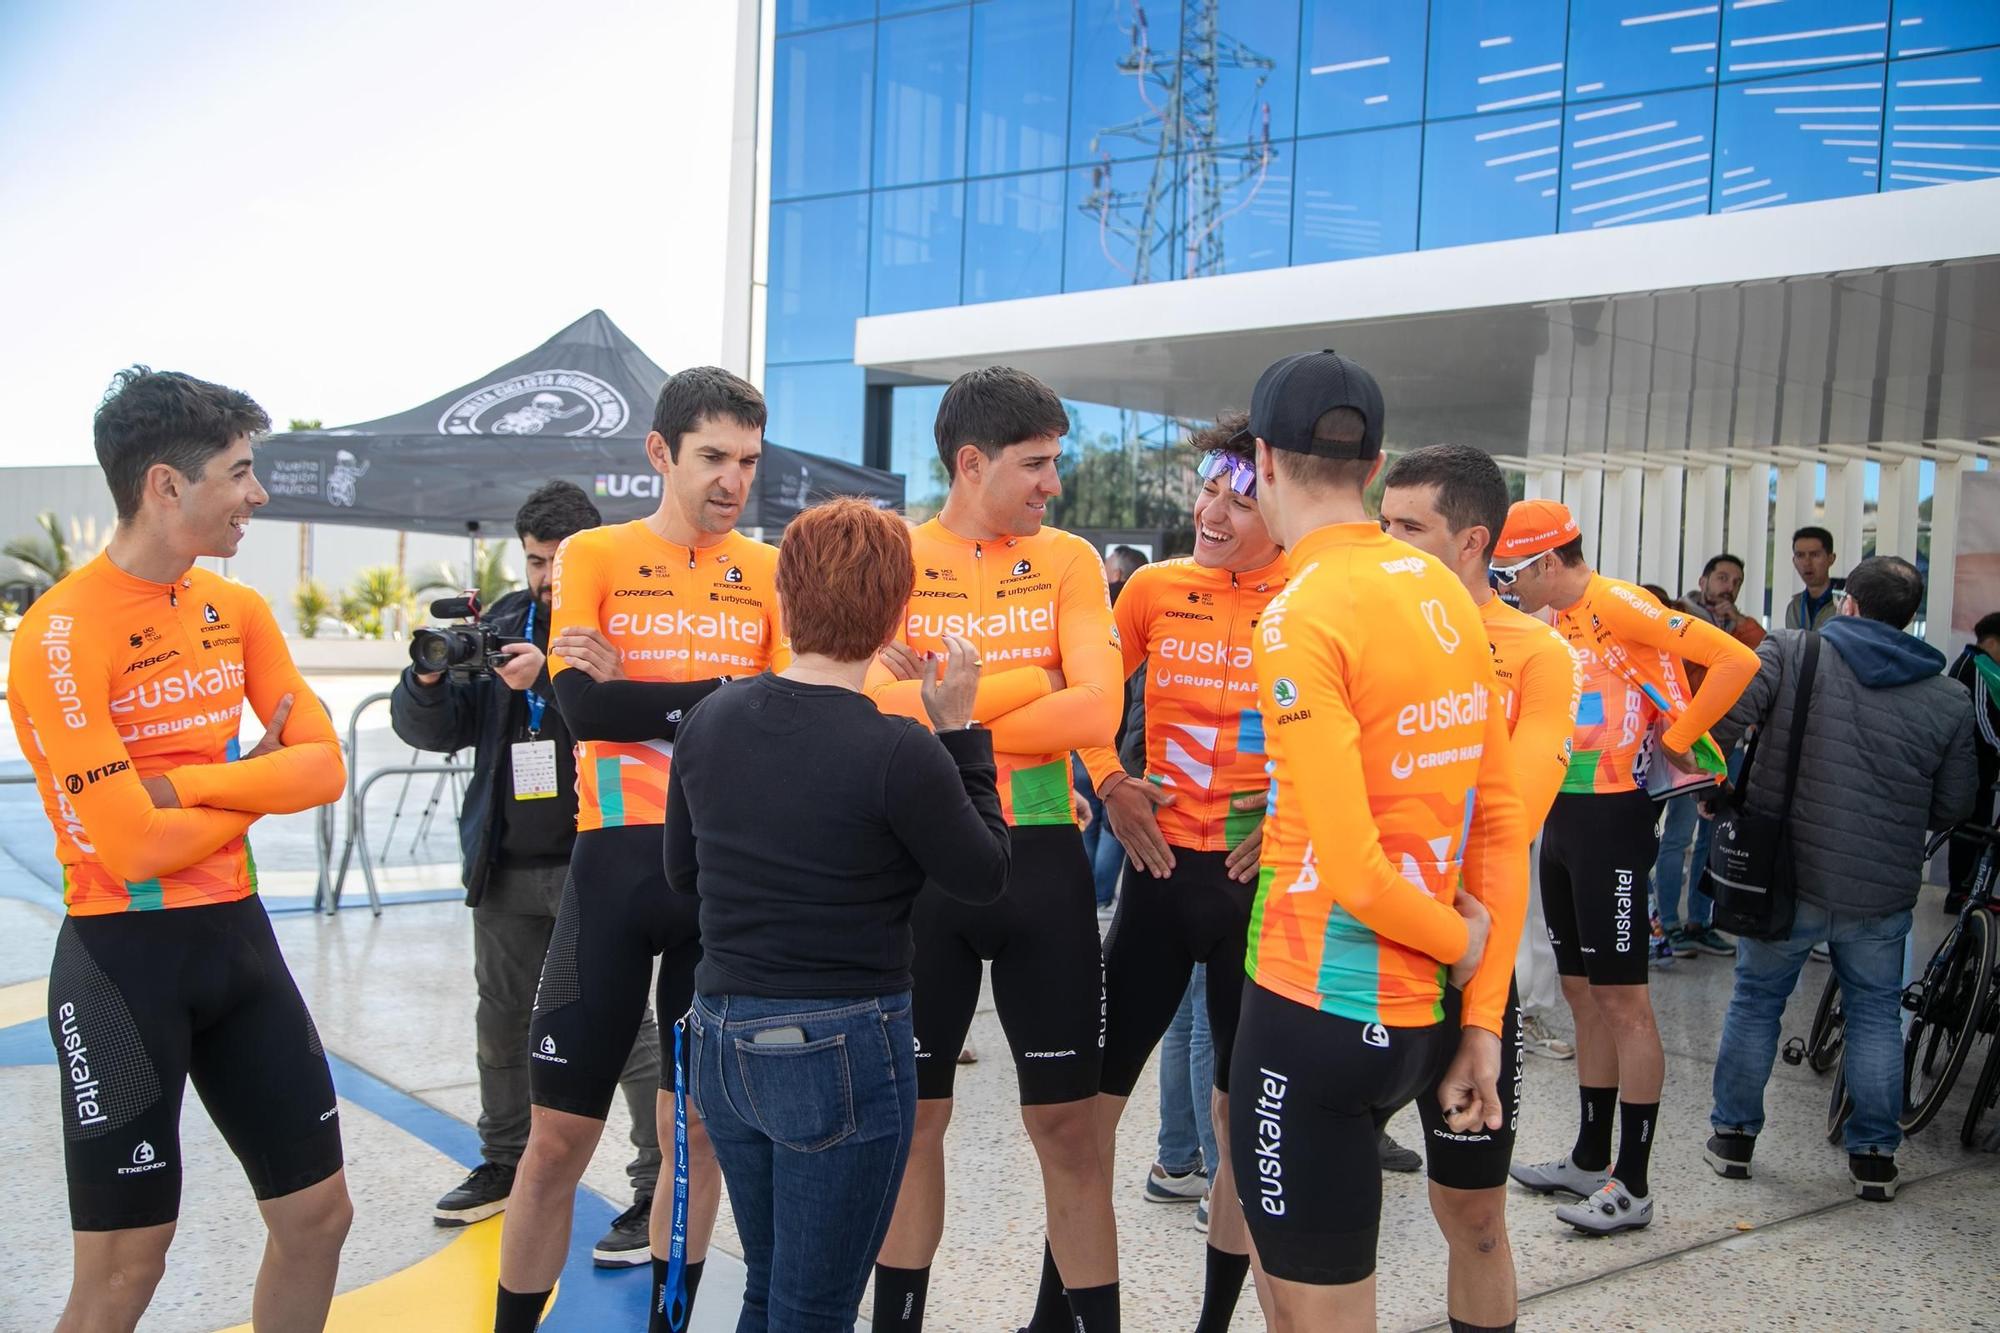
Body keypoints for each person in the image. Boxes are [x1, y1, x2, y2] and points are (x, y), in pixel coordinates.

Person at [8, 367, 350, 1332]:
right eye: (241, 472)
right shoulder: (61, 633)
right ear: (167, 484)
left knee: (320, 1217)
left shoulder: (233, 610)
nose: (259, 493)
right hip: (125, 958)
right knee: (127, 1268)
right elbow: (134, 844)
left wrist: (191, 782)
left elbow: (323, 770)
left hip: (238, 944)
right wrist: (254, 789)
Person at [1226, 350, 1527, 1332]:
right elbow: (1496, 821)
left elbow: (1351, 866)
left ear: (1263, 459)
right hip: (1426, 1022)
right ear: (1374, 461)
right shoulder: (1446, 590)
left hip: (1312, 1009)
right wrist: (1479, 1013)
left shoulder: (1298, 611)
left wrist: (1461, 945)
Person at [664, 498, 1011, 1332]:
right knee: (813, 1306)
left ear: (785, 599)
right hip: (839, 1043)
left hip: (722, 1033)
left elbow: (684, 876)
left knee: (771, 1285)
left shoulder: (710, 720)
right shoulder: (902, 749)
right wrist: (961, 732)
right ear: (897, 612)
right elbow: (985, 872)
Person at [494, 367, 787, 1333]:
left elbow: (783, 711)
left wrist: (654, 693)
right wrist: (723, 690)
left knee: (692, 1130)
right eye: (712, 457)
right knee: (555, 1141)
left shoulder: (771, 566)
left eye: (747, 460)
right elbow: (581, 706)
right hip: (612, 868)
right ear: (660, 453)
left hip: (720, 872)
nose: (732, 480)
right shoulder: (594, 552)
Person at [866, 366, 1124, 1333]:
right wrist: (1033, 678)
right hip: (922, 869)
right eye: (1036, 463)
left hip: (1043, 861)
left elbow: (1101, 706)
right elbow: (865, 707)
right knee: (915, 1124)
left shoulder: (1068, 559)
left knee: (1067, 1128)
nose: (1053, 483)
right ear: (971, 464)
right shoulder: (891, 552)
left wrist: (952, 713)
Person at [390, 480, 663, 1259]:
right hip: (505, 861)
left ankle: (652, 1186)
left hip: (595, 857)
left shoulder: (619, 623)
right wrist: (430, 679)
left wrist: (550, 675)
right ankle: (502, 1159)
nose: (545, 578)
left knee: (625, 1027)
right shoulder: (501, 620)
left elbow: (628, 718)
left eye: (558, 562)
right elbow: (435, 732)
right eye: (536, 561)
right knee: (500, 1017)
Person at [1497, 499, 1760, 1234]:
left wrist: (1681, 735)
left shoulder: (1619, 601)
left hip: (1614, 820)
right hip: (1562, 817)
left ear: (1549, 562)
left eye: (1511, 572)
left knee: (1624, 1002)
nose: (1505, 584)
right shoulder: (1550, 620)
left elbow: (1738, 658)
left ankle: (1634, 1181)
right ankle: (1588, 1155)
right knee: (1582, 994)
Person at [1077, 413, 1284, 1332]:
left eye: (1241, 498)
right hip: (1159, 880)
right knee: (1085, 1115)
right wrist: (1112, 780)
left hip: (1256, 894)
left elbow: (1363, 738)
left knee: (1239, 1125)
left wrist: (1295, 820)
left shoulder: (1313, 594)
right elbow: (1083, 694)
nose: (1215, 510)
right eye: (1208, 488)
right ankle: (1065, 1312)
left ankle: (1212, 1323)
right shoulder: (1154, 589)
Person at [1379, 443, 1580, 1331]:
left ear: (1471, 541)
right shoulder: (1358, 629)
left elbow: (1506, 819)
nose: (1384, 543)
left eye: (1407, 529)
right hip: (1347, 963)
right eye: (1381, 523)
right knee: (1309, 1208)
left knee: (1474, 1217)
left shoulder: (1537, 655)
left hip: (1470, 974)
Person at [1704, 557, 1976, 1201]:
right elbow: (1955, 804)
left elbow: (1724, 721)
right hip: (1879, 893)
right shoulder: (1947, 696)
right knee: (1877, 1014)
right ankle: (1875, 1157)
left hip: (1784, 876)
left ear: (1848, 602)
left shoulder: (1792, 651)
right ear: (1909, 617)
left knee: (1756, 1001)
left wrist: (1714, 791)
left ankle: (1734, 1141)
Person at [1945, 611, 2000, 910]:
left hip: (1977, 766)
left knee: (1974, 828)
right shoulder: (1978, 666)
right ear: (1993, 642)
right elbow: (1983, 722)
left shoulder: (1979, 666)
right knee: (1970, 829)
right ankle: (1960, 894)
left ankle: (1969, 892)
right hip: (1972, 766)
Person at [1687, 554, 1766, 650]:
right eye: (1723, 578)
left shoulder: (1740, 625)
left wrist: (1739, 620)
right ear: (1702, 582)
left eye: (1737, 583)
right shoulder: (1678, 613)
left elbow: (1764, 652)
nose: (1730, 587)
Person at [1785, 526, 1842, 630]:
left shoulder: (1846, 603)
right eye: (1800, 555)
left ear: (1831, 559)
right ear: (1794, 561)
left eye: (1814, 555)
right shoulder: (1795, 607)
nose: (1807, 563)